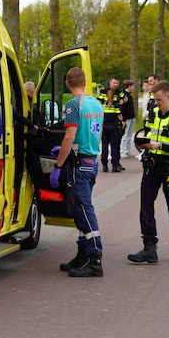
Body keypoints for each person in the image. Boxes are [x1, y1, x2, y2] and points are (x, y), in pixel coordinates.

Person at [51, 67, 105, 277]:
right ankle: (83, 256)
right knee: (82, 211)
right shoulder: (96, 104)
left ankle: (94, 258)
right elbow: (93, 136)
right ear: (84, 82)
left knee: (84, 211)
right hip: (91, 162)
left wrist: (58, 165)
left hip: (79, 165)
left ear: (67, 83)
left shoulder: (74, 104)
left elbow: (69, 137)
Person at [127, 80, 169, 265]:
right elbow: (148, 134)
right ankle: (149, 247)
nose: (157, 103)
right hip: (152, 166)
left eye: (160, 99)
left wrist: (159, 145)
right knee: (145, 206)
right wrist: (143, 144)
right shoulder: (153, 112)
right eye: (155, 99)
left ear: (168, 96)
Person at [97, 76, 125, 172]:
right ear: (110, 82)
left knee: (104, 146)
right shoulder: (116, 99)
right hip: (113, 124)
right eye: (114, 83)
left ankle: (104, 165)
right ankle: (115, 165)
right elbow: (119, 112)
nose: (115, 85)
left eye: (117, 83)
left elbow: (98, 102)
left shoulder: (103, 92)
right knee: (115, 146)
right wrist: (122, 121)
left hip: (104, 124)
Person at [119, 79, 137, 159]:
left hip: (131, 117)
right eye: (132, 86)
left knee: (129, 135)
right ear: (129, 86)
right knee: (125, 135)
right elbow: (122, 108)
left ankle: (127, 151)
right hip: (127, 119)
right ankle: (122, 151)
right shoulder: (124, 96)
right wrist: (123, 120)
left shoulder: (129, 95)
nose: (133, 87)